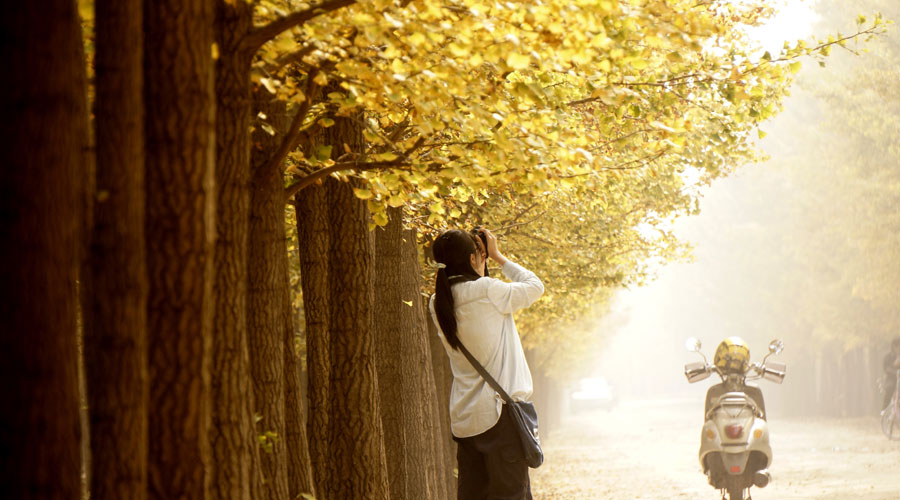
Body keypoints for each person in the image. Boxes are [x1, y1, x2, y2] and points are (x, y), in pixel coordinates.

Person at [429, 228, 543, 500]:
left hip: (466, 420)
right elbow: (534, 286)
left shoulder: (437, 303)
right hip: (499, 416)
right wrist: (498, 257)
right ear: (472, 257)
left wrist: (481, 262)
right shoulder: (489, 291)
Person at [882, 337, 900, 410]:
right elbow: (886, 368)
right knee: (890, 388)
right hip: (891, 379)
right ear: (894, 347)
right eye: (897, 346)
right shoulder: (888, 357)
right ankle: (884, 409)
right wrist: (895, 367)